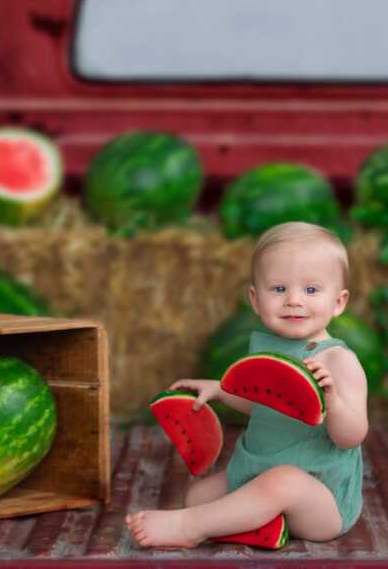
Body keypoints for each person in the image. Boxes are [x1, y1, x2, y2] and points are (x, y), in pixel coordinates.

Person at [127, 221, 368, 548]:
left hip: (320, 498)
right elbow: (265, 402)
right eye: (279, 289)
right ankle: (261, 526)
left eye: (311, 290)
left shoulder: (339, 361)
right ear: (255, 300)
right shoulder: (267, 350)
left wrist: (334, 402)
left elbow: (351, 436)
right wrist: (218, 390)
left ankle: (190, 528)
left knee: (281, 483)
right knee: (197, 495)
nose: (294, 300)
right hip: (257, 471)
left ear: (338, 302)